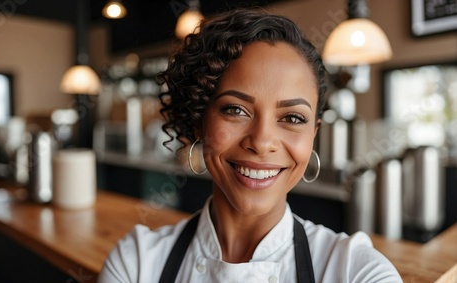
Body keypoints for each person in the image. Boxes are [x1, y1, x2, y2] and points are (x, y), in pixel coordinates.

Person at [99, 8, 402, 283]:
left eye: (293, 118)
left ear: (314, 133)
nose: (261, 141)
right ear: (199, 122)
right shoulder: (137, 263)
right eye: (235, 110)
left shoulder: (357, 270)